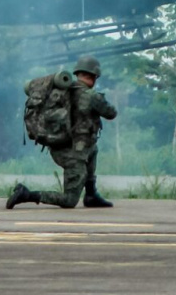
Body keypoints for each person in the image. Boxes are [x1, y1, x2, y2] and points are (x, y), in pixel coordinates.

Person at [7, 56, 117, 209]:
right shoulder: (91, 96)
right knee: (69, 200)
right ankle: (27, 194)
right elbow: (111, 113)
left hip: (61, 146)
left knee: (92, 148)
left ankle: (91, 195)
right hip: (74, 154)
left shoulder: (61, 92)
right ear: (93, 76)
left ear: (77, 73)